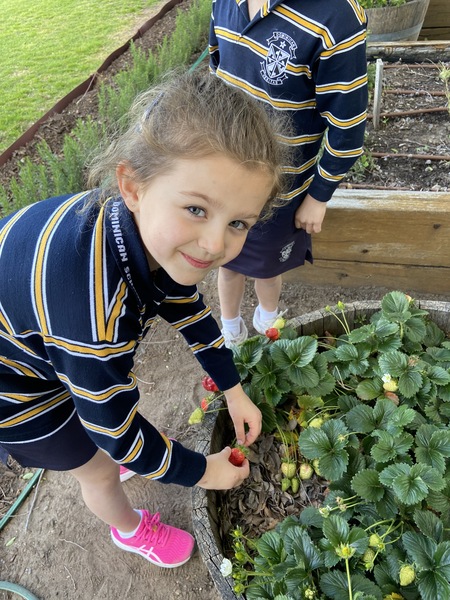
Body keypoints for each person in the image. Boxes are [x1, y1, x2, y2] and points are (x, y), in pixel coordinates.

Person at [0, 70, 290, 569]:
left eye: (238, 222)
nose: (216, 244)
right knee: (99, 467)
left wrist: (233, 389)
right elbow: (119, 434)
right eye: (197, 208)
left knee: (101, 414)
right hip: (15, 390)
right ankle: (129, 530)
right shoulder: (95, 316)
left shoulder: (137, 232)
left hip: (43, 338)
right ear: (132, 185)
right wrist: (204, 472)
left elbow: (188, 309)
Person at [209, 0, 368, 345]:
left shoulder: (336, 16)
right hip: (222, 176)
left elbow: (348, 128)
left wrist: (318, 195)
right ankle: (231, 329)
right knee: (228, 261)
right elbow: (217, 71)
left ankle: (268, 322)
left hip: (281, 189)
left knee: (268, 265)